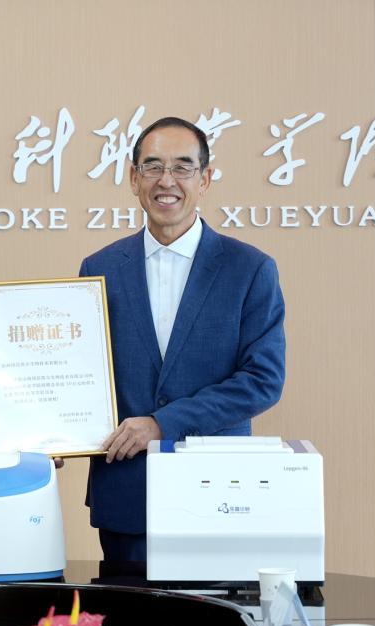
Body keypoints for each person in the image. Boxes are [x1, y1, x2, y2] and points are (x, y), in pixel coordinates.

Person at [78, 117, 286, 562]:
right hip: (127, 494)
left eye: (182, 167)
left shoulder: (250, 269)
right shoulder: (99, 268)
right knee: (124, 610)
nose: (166, 181)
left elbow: (263, 380)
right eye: (153, 167)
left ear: (205, 179)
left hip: (219, 493)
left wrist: (162, 423)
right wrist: (51, 432)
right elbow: (82, 372)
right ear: (134, 179)